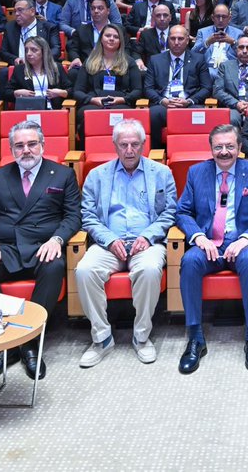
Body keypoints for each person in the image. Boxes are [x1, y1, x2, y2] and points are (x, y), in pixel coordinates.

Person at [0, 120, 82, 381]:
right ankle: (5, 344)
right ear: (11, 149)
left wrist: (57, 239)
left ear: (42, 145)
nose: (26, 150)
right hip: (5, 248)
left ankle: (30, 342)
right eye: (19, 146)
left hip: (43, 246)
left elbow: (73, 216)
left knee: (54, 266)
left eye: (32, 144)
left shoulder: (62, 174)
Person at [75, 119, 177, 367]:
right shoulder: (96, 176)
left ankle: (142, 337)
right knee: (84, 270)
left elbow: (170, 213)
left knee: (150, 269)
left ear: (143, 144)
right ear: (115, 146)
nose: (129, 150)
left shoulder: (161, 173)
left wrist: (148, 236)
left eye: (134, 144)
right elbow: (87, 216)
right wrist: (109, 240)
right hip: (108, 243)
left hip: (147, 242)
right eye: (123, 145)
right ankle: (101, 338)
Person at [175, 124, 248, 374]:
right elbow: (182, 212)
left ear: (240, 147)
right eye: (218, 147)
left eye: (230, 146)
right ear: (211, 149)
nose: (224, 152)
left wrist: (246, 239)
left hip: (240, 243)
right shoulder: (196, 172)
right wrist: (198, 237)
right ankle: (195, 337)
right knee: (189, 261)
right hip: (209, 243)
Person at [144, 25, 212, 146]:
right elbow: (148, 88)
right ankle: (157, 151)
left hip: (188, 104)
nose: (176, 42)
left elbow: (206, 87)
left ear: (187, 40)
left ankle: (196, 148)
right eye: (172, 38)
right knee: (152, 114)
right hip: (164, 105)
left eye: (180, 39)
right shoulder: (155, 60)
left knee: (201, 114)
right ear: (167, 40)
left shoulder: (198, 59)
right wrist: (162, 100)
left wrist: (190, 101)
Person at [74, 24, 142, 114]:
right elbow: (77, 91)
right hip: (94, 104)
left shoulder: (129, 62)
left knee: (120, 114)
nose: (111, 39)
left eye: (116, 37)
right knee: (87, 113)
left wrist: (122, 99)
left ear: (120, 41)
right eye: (108, 35)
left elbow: (138, 90)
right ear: (101, 39)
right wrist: (92, 99)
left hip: (121, 104)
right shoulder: (89, 61)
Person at [7, 36, 72, 110]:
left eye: (34, 50)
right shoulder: (20, 70)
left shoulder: (56, 68)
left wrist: (61, 93)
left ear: (44, 52)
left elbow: (71, 91)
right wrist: (16, 93)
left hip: (52, 111)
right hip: (28, 111)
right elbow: (6, 93)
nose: (28, 53)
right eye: (26, 50)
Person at [0, 0, 62, 65]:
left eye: (20, 10)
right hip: (19, 67)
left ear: (32, 11)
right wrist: (15, 59)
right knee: (3, 72)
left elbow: (56, 50)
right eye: (15, 11)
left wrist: (41, 60)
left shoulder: (49, 27)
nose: (16, 14)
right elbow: (4, 52)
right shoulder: (10, 27)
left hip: (43, 66)